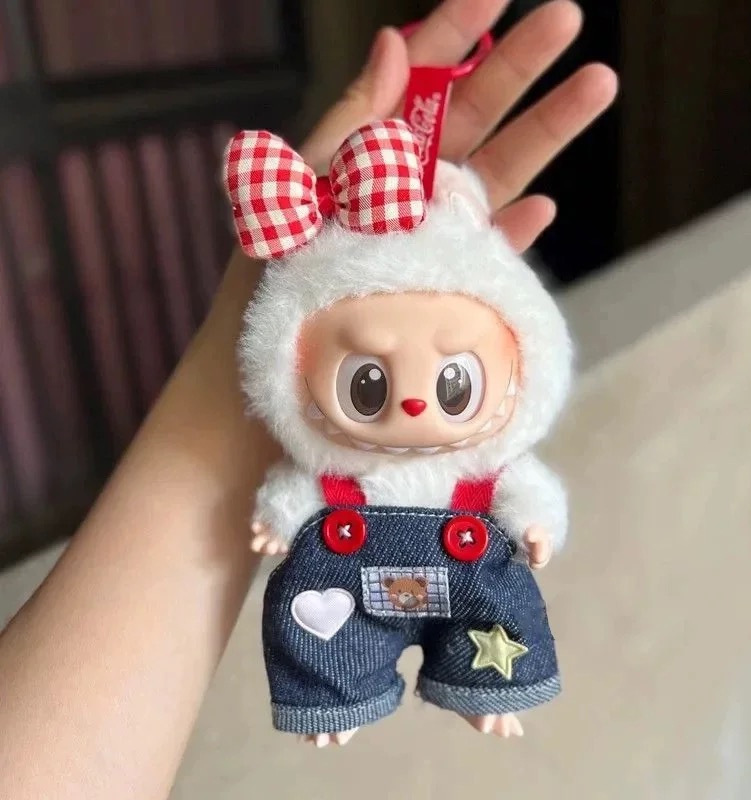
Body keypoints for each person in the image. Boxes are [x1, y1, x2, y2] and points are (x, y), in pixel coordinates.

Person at [0, 1, 617, 797]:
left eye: (455, 382)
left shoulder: (485, 465)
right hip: (344, 575)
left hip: (467, 570)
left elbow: (527, 491)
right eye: (368, 383)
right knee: (312, 619)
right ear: (293, 365)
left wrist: (535, 523)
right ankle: (338, 695)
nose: (415, 407)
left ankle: (484, 686)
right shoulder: (318, 445)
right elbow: (294, 490)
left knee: (501, 609)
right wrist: (277, 514)